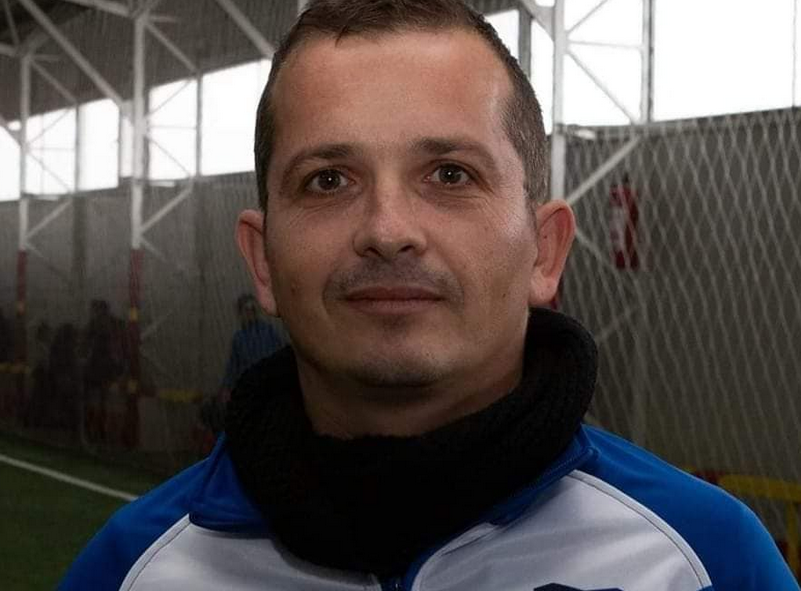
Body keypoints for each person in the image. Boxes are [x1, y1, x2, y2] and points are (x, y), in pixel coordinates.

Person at [59, 1, 799, 590]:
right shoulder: (131, 571)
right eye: (327, 180)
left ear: (544, 251)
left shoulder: (702, 563)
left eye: (450, 174)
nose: (388, 231)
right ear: (262, 260)